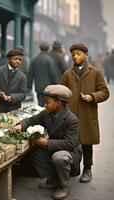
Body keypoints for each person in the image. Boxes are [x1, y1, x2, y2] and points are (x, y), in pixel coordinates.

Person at [10, 84, 82, 200]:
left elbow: (70, 144)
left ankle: (63, 186)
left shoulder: (72, 119)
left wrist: (46, 143)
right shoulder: (46, 113)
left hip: (70, 152)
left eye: (48, 102)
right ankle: (53, 179)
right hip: (55, 148)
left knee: (59, 158)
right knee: (35, 153)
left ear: (58, 104)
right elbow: (31, 120)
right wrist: (20, 125)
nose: (45, 105)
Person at [61, 42, 109, 183]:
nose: (75, 57)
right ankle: (74, 169)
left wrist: (93, 96)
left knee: (87, 143)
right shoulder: (67, 74)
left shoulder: (95, 72)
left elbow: (105, 92)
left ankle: (87, 169)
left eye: (78, 54)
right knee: (71, 143)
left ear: (86, 55)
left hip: (88, 114)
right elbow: (61, 91)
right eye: (73, 55)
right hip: (71, 115)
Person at [27, 41, 58, 106]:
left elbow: (30, 75)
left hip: (38, 88)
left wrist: (28, 87)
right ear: (48, 49)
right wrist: (56, 84)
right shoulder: (49, 60)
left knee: (40, 105)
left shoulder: (34, 60)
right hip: (48, 88)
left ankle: (41, 116)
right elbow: (52, 74)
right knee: (49, 105)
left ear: (40, 48)